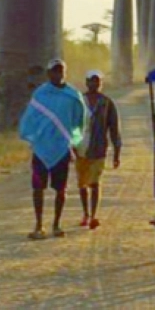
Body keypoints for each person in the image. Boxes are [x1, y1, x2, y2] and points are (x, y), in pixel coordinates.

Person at [18, 58, 89, 240]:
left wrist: (72, 140)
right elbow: (31, 118)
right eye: (55, 71)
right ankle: (39, 225)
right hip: (41, 148)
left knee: (61, 189)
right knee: (38, 188)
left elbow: (78, 121)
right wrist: (34, 136)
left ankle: (56, 224)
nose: (58, 74)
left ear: (65, 72)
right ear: (49, 73)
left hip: (62, 148)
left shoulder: (73, 96)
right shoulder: (40, 94)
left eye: (61, 71)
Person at [75, 70, 121, 230]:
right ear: (86, 82)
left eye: (98, 81)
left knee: (94, 183)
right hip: (80, 148)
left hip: (99, 148)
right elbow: (72, 124)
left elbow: (114, 128)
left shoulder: (107, 103)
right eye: (91, 81)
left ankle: (93, 216)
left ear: (101, 83)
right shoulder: (79, 101)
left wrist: (117, 152)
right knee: (82, 184)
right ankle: (85, 213)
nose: (94, 84)